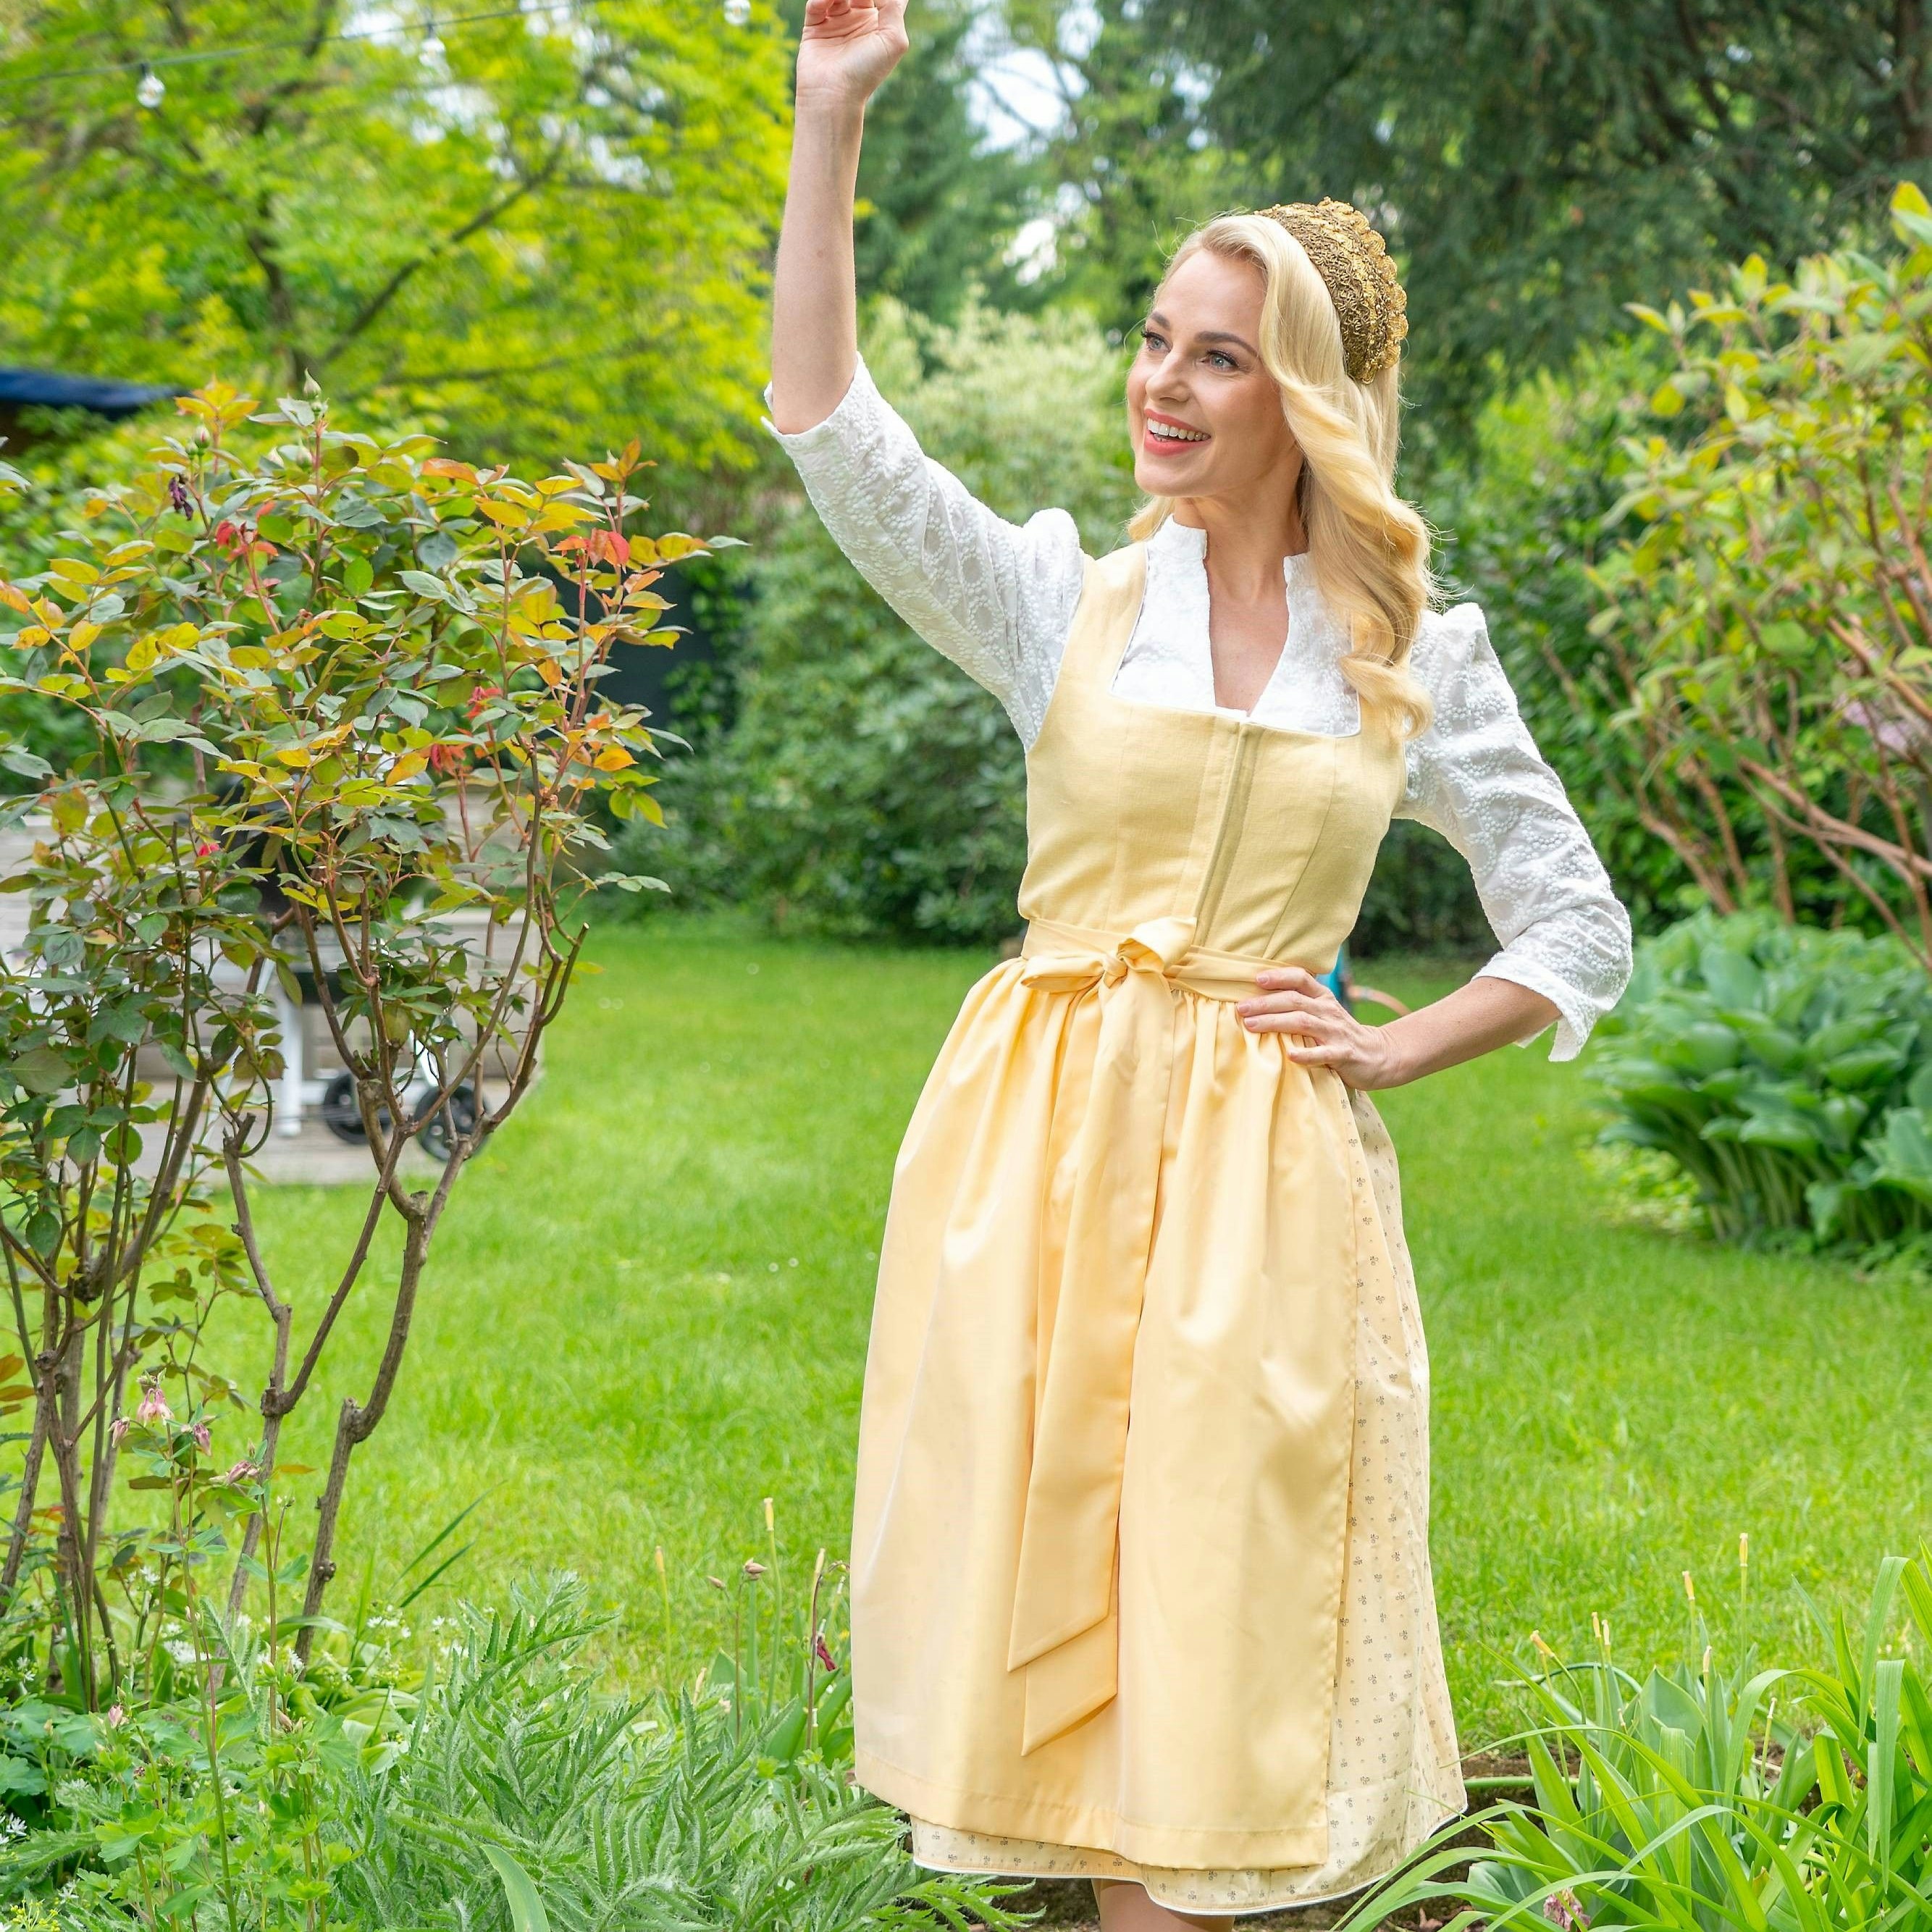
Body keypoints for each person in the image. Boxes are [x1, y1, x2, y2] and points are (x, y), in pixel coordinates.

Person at [765, 1, 1634, 1923]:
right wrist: (831, 119)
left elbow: (1578, 924)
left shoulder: (1409, 651)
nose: (1161, 384)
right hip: (1036, 1159)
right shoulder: (1060, 601)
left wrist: (1396, 1052)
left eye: (1216, 357)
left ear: (1308, 397)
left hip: (1266, 1185)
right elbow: (835, 435)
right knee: (1059, 1684)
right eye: (1154, 338)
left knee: (1213, 1660)